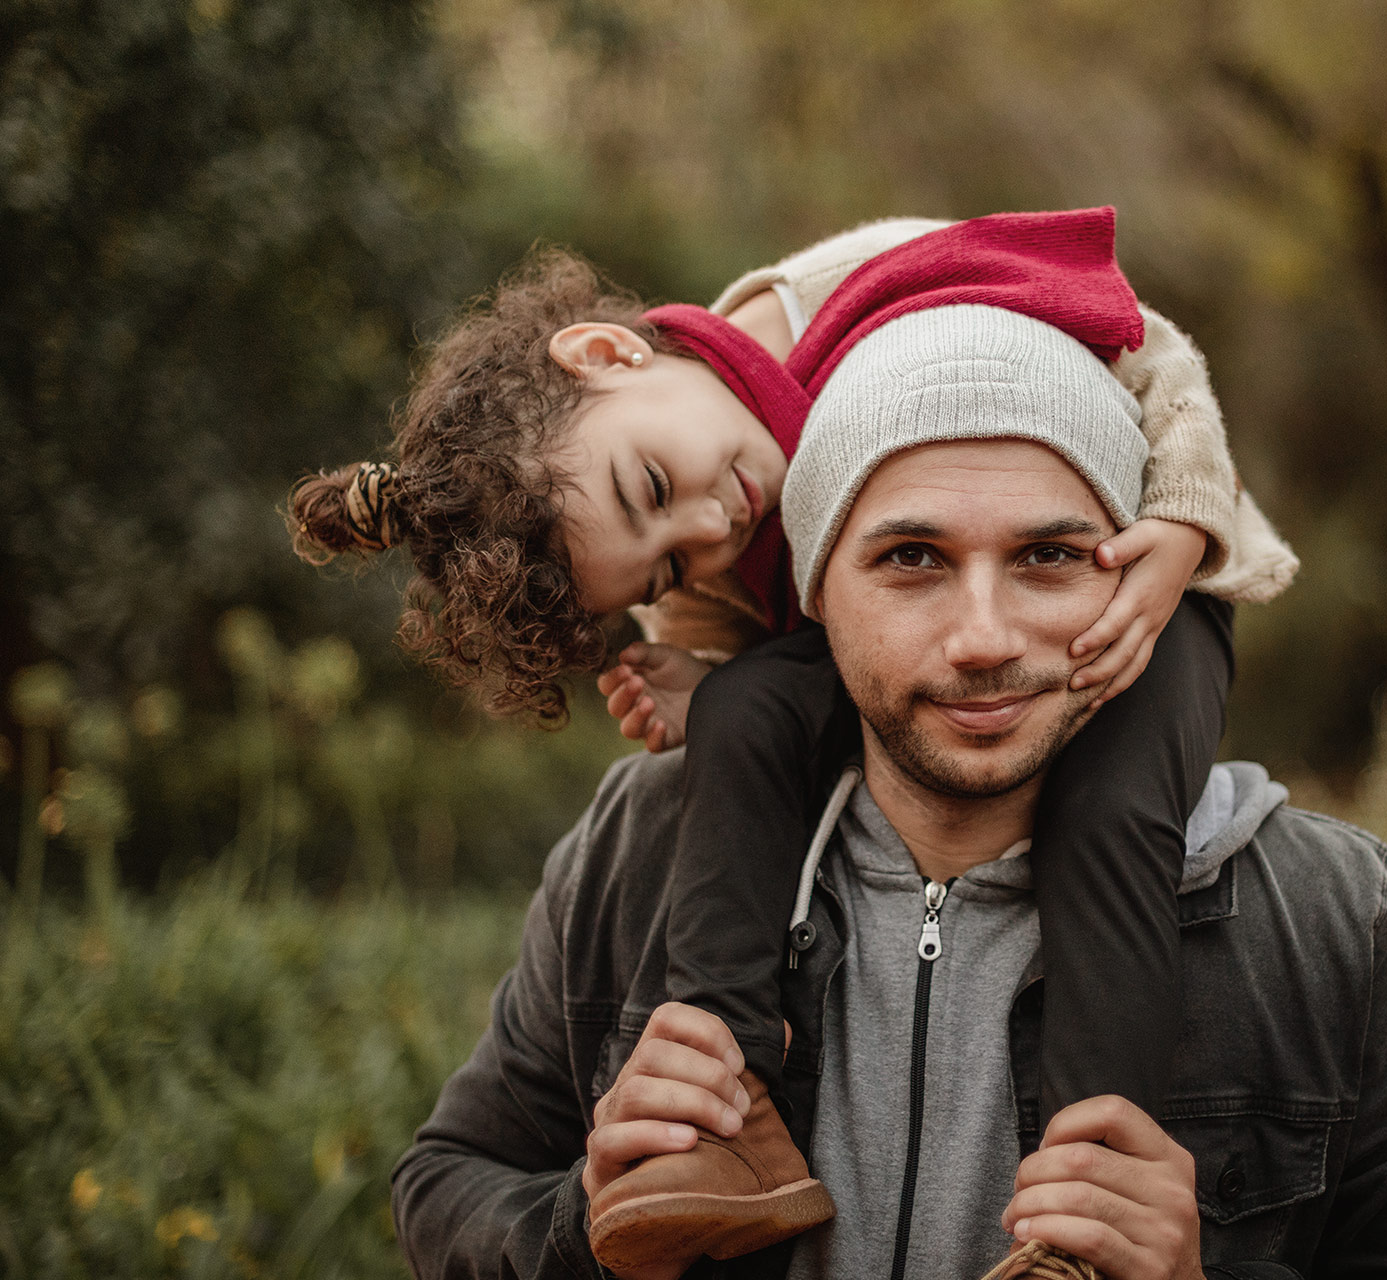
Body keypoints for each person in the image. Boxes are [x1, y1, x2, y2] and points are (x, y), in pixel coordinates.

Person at [390, 304, 1387, 1280]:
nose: (983, 639)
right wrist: (587, 1232)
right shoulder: (642, 850)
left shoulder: (1322, 914)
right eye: (912, 558)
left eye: (1050, 556)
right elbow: (444, 1186)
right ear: (815, 584)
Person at [290, 211, 1297, 1261]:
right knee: (738, 713)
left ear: (607, 352)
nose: (708, 532)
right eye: (667, 568)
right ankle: (721, 1108)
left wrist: (1182, 524)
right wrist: (706, 683)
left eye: (651, 486)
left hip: (1147, 560)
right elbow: (766, 672)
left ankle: (1088, 1203)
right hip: (894, 647)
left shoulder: (836, 291)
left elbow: (1150, 347)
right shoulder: (698, 577)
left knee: (1114, 801)